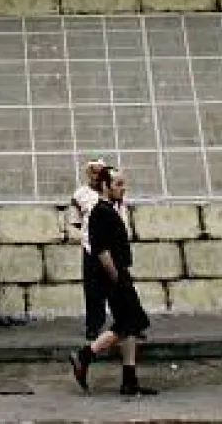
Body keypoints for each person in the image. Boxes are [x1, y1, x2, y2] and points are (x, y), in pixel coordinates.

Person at [68, 168, 156, 396]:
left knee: (129, 326)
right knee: (133, 322)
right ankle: (85, 355)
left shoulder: (110, 210)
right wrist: (116, 277)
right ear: (106, 187)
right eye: (118, 184)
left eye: (123, 184)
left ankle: (129, 380)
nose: (122, 188)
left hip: (118, 273)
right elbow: (102, 250)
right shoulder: (101, 211)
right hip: (114, 276)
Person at [70, 158, 109, 340]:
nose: (96, 175)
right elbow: (76, 221)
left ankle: (128, 323)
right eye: (93, 171)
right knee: (93, 289)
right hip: (91, 248)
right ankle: (93, 325)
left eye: (100, 171)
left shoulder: (112, 191)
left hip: (112, 247)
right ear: (88, 173)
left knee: (119, 286)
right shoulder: (79, 195)